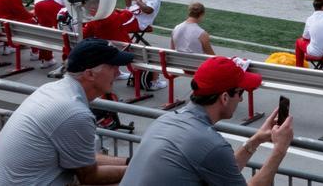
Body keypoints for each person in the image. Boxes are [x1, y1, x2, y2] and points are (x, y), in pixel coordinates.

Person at [119, 56, 290, 186]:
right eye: (240, 93)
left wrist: (256, 139)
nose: (241, 100)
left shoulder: (167, 119)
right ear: (224, 97)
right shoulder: (210, 144)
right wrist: (280, 149)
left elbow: (222, 171)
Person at [0, 38, 131, 185]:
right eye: (113, 67)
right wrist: (139, 169)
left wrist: (129, 162)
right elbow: (90, 176)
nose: (118, 73)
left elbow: (83, 158)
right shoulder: (74, 112)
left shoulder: (52, 90)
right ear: (90, 74)